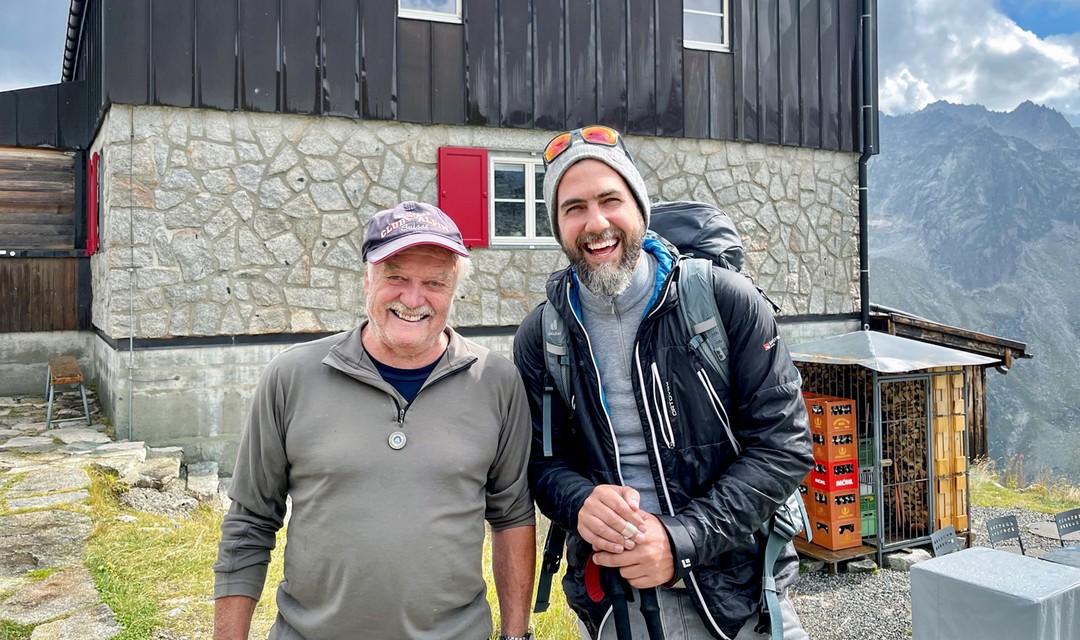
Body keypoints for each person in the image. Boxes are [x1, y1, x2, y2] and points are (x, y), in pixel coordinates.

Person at [513, 126, 814, 640]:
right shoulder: (543, 335)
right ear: (558, 226)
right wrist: (580, 502)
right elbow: (543, 463)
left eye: (611, 200)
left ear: (640, 207)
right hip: (616, 601)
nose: (596, 223)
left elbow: (783, 446)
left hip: (737, 595)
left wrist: (681, 539)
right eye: (574, 208)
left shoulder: (725, 302)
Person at [214, 201, 536, 640]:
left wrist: (515, 636)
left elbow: (513, 515)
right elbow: (249, 522)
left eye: (434, 282)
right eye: (396, 277)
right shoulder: (291, 376)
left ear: (454, 290)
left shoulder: (496, 381)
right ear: (366, 279)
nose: (413, 299)